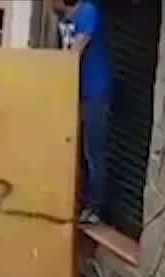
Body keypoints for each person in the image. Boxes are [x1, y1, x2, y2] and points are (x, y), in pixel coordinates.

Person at [56, 0, 112, 225]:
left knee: (93, 152)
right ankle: (75, 202)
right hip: (75, 91)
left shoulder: (88, 11)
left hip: (94, 92)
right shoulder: (63, 17)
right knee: (72, 148)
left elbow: (73, 53)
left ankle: (93, 207)